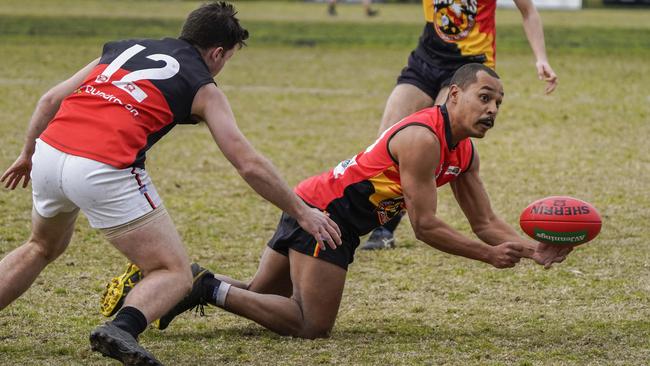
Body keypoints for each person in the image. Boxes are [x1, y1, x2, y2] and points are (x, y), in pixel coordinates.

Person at [102, 64, 573, 340]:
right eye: (484, 97)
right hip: (328, 217)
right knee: (310, 325)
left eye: (499, 104)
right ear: (454, 95)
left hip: (309, 201)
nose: (492, 110)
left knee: (262, 296)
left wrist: (535, 250)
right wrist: (487, 256)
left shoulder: (463, 152)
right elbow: (426, 226)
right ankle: (202, 287)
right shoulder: (423, 139)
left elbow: (486, 221)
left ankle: (172, 285)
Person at [0, 2, 341, 365]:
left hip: (50, 151)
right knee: (174, 273)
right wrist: (302, 213)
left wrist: (27, 154)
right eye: (226, 59)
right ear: (217, 52)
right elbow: (248, 163)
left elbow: (51, 98)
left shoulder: (125, 48)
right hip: (101, 165)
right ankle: (122, 328)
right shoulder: (203, 86)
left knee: (40, 247)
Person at [361, 0, 558, 250]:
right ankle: (376, 220)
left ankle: (390, 229)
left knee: (439, 136)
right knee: (387, 139)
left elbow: (528, 11)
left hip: (470, 66)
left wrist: (541, 58)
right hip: (426, 59)